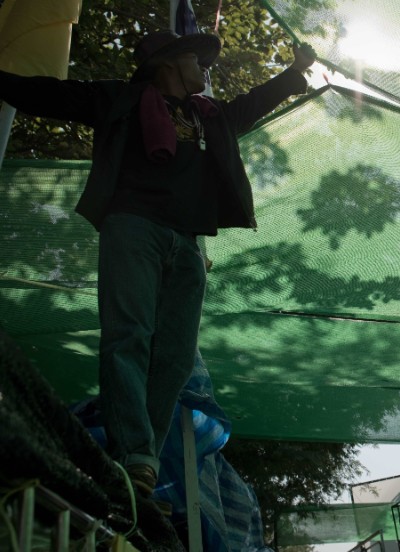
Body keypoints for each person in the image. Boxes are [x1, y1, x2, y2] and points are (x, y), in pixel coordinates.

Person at [0, 30, 315, 498]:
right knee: (129, 335)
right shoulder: (119, 99)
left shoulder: (209, 116)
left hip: (188, 243)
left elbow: (253, 102)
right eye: (198, 59)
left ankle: (137, 460)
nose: (206, 69)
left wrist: (294, 73)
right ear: (168, 62)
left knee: (176, 355)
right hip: (132, 227)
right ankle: (137, 456)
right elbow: (48, 94)